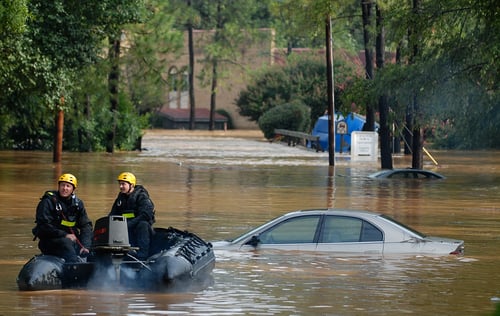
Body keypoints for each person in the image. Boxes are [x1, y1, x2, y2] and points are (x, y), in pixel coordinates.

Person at [32, 173, 92, 263]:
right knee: (66, 243)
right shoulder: (48, 202)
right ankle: (74, 267)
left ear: (73, 189)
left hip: (73, 241)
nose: (65, 188)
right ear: (59, 186)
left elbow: (85, 226)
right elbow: (44, 226)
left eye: (68, 186)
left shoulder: (78, 204)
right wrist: (65, 235)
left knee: (95, 240)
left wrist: (86, 246)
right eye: (62, 185)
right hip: (51, 241)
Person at [109, 172, 155, 260]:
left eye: (123, 184)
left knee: (143, 224)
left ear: (131, 185)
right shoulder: (120, 199)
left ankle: (142, 256)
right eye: (120, 184)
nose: (121, 187)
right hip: (125, 229)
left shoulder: (142, 196)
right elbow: (113, 214)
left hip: (141, 230)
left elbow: (145, 215)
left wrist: (127, 225)